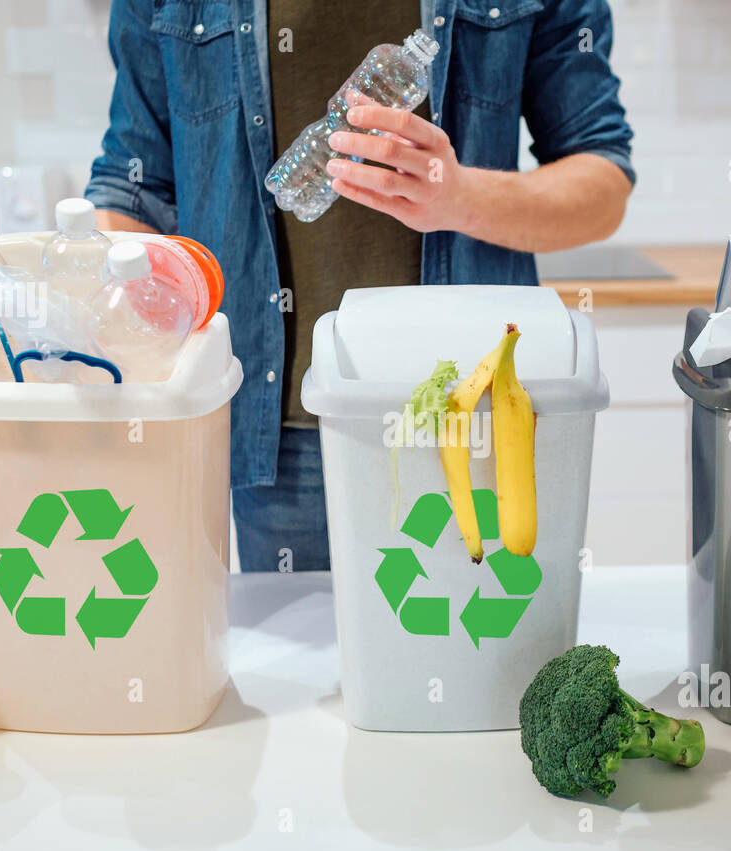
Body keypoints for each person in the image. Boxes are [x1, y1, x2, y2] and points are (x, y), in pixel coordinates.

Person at [86, 0, 634, 572]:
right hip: (282, 430)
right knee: (304, 657)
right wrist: (132, 351)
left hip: (475, 411)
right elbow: (133, 186)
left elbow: (603, 182)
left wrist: (462, 199)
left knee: (478, 643)